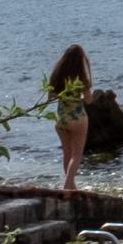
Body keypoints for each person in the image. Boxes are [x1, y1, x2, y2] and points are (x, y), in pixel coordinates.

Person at [44, 44, 92, 194]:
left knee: (67, 153)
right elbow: (89, 100)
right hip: (78, 119)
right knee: (76, 155)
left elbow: (50, 97)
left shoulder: (57, 76)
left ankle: (71, 185)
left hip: (61, 119)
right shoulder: (81, 78)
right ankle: (67, 185)